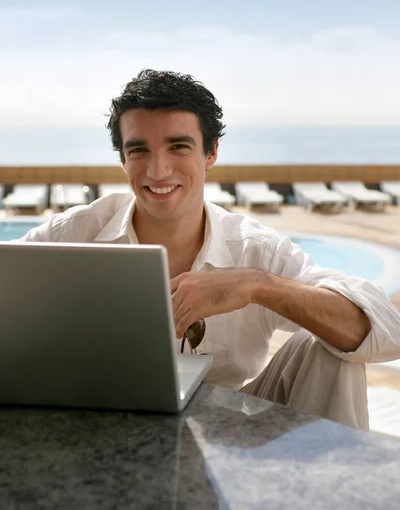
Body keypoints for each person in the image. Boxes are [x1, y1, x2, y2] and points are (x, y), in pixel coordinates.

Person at [19, 69, 400, 430]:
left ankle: (330, 495)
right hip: (95, 423)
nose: (157, 171)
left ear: (211, 152)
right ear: (123, 160)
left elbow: (386, 333)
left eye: (178, 146)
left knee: (330, 347)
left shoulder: (254, 250)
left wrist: (256, 286)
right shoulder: (76, 231)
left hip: (232, 432)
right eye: (139, 150)